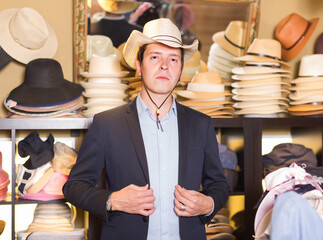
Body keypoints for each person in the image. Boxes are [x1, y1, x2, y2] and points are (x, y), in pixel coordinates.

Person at [63, 18, 229, 240]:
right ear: (139, 66)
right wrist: (113, 200)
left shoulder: (202, 124)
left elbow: (218, 184)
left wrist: (208, 204)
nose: (164, 66)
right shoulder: (106, 124)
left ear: (180, 71)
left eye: (173, 59)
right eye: (154, 57)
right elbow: (74, 187)